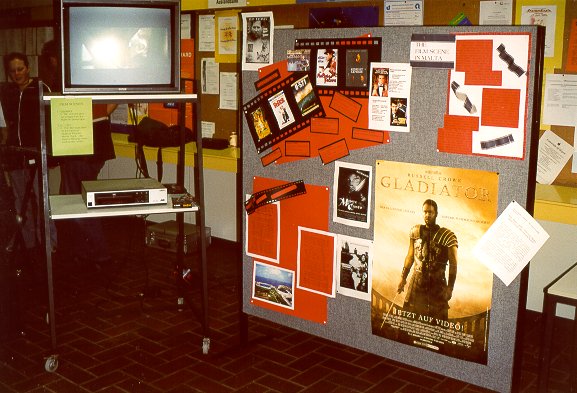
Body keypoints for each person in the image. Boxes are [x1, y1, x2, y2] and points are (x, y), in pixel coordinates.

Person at [39, 39, 118, 271]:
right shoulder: (90, 73)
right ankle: (84, 252)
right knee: (75, 196)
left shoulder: (70, 77)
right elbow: (114, 98)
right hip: (89, 144)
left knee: (79, 200)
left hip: (82, 146)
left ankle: (97, 254)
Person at [1, 52, 57, 262]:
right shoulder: (7, 92)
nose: (16, 74)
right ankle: (28, 241)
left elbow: (53, 123)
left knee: (42, 200)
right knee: (19, 202)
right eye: (12, 70)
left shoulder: (42, 89)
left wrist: (49, 154)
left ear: (28, 68)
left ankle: (49, 243)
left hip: (37, 155)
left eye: (20, 69)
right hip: (16, 157)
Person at [397, 199, 458, 320]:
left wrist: (450, 288)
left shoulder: (447, 236)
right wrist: (403, 278)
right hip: (416, 282)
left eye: (430, 212)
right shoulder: (415, 232)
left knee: (436, 325)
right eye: (425, 212)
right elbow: (410, 256)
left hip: (437, 285)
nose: (427, 215)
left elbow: (453, 264)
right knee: (409, 322)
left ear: (436, 213)